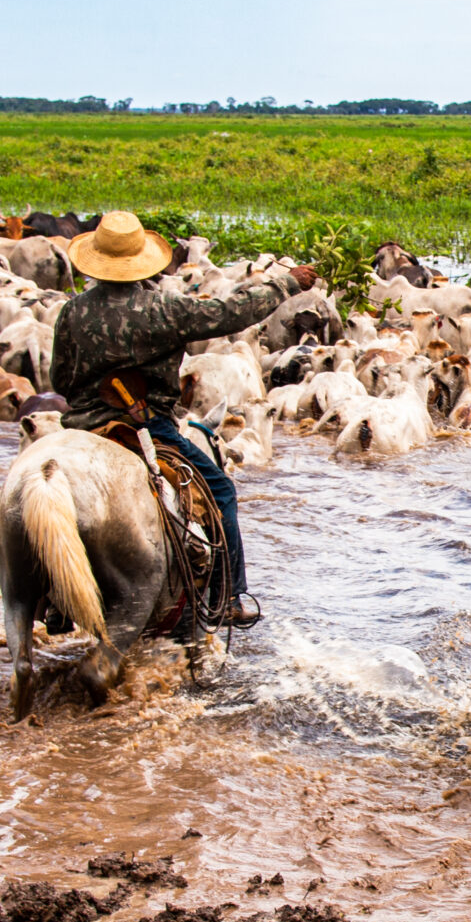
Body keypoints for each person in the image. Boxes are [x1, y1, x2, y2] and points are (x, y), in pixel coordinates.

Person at [49, 211, 313, 627]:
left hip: (81, 428)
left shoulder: (72, 312)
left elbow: (59, 379)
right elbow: (231, 313)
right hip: (145, 426)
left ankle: (51, 599)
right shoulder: (163, 309)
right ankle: (228, 598)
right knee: (221, 491)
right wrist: (286, 282)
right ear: (142, 262)